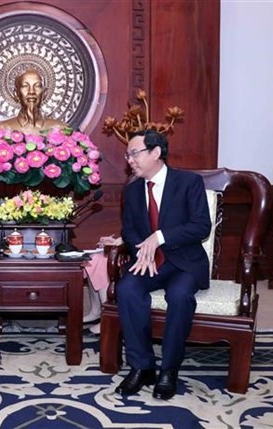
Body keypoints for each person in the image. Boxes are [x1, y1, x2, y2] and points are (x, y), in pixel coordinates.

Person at [114, 129, 211, 400]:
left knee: (179, 296)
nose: (129, 159)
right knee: (127, 290)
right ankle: (142, 366)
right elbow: (129, 230)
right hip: (149, 263)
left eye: (135, 153)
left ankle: (169, 370)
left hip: (183, 262)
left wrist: (159, 237)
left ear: (156, 153)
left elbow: (201, 226)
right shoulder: (132, 191)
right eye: (128, 154)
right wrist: (142, 250)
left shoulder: (188, 183)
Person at [0, 69, 67, 134]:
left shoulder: (61, 129)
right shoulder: (0, 130)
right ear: (16, 94)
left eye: (37, 86)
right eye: (25, 86)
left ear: (44, 94)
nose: (31, 91)